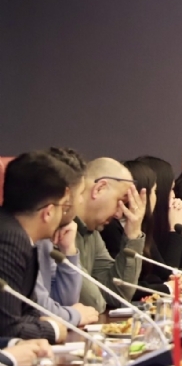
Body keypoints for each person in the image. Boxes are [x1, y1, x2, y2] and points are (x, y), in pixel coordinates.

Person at [0, 152, 73, 343]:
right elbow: (7, 329)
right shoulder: (10, 240)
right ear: (48, 212)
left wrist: (38, 324)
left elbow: (28, 312)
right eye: (63, 208)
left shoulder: (20, 235)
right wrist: (53, 330)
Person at [100, 159, 182, 299]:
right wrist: (167, 287)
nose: (174, 196)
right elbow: (122, 286)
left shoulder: (141, 226)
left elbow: (167, 273)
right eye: (155, 191)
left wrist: (178, 281)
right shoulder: (111, 229)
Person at [33, 147, 99, 327]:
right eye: (80, 194)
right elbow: (37, 309)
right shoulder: (21, 237)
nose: (81, 201)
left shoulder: (47, 239)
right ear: (65, 198)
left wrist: (68, 252)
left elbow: (64, 301)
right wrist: (75, 315)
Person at [75, 158, 147, 312]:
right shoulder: (57, 229)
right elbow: (94, 303)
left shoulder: (92, 232)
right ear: (99, 188)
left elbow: (118, 294)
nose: (118, 214)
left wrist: (133, 234)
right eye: (119, 201)